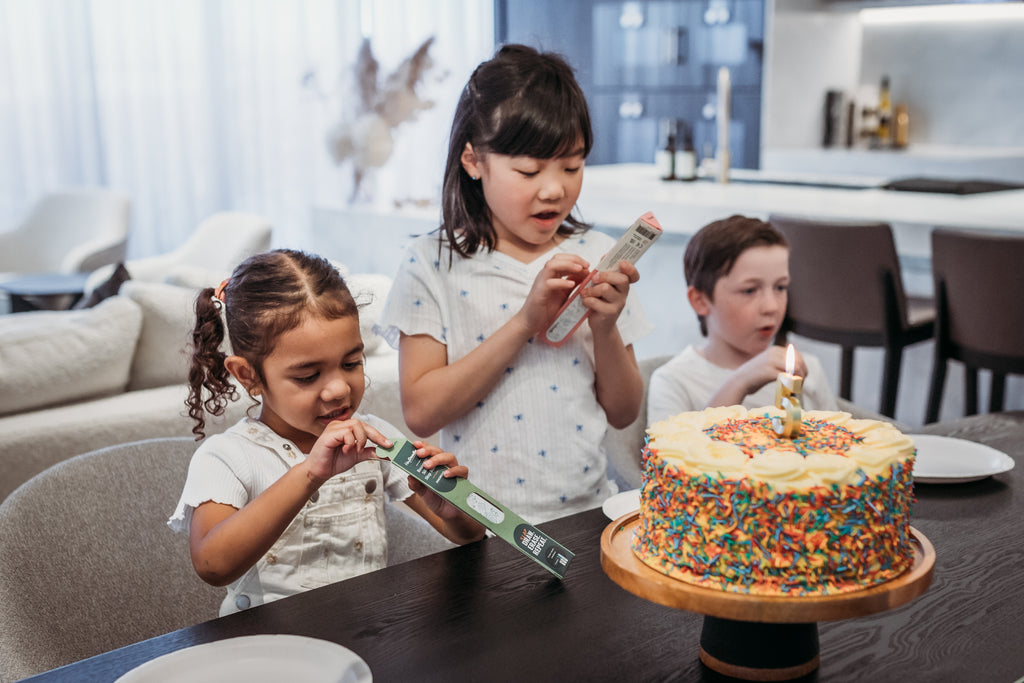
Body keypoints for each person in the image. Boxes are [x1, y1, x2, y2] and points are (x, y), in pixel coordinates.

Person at [377, 45, 652, 523]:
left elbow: (625, 412)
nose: (554, 188)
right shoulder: (432, 262)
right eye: (529, 170)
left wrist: (605, 327)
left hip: (589, 514)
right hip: (481, 527)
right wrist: (526, 322)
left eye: (572, 166)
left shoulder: (598, 254)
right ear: (473, 161)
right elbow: (421, 412)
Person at [168, 249, 484, 616]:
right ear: (248, 375)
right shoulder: (227, 456)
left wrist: (453, 507)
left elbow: (469, 535)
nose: (339, 389)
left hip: (363, 638)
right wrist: (310, 473)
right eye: (307, 376)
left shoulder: (374, 436)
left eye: (351, 363)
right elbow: (213, 565)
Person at [647, 215, 838, 424]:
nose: (771, 307)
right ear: (700, 300)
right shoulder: (675, 382)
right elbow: (671, 456)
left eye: (780, 287)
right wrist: (740, 382)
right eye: (749, 290)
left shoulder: (808, 370)